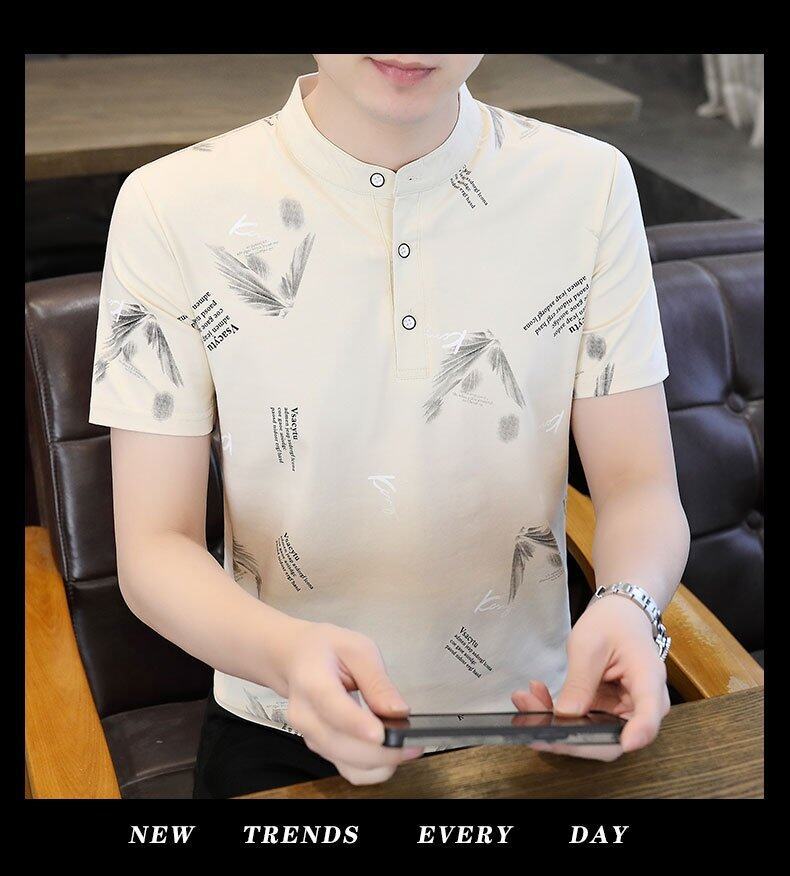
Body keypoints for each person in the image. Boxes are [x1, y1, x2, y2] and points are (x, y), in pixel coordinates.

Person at [89, 54, 690, 799]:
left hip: (546, 717)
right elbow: (155, 546)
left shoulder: (589, 183)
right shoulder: (169, 203)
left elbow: (639, 487)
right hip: (283, 722)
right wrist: (287, 658)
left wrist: (630, 605)